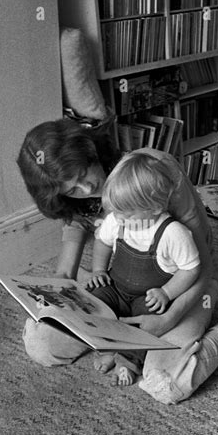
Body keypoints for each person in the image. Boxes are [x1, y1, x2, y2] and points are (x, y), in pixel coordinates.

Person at [17, 119, 218, 405]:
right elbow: (65, 272)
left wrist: (167, 319)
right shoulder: (77, 200)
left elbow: (200, 266)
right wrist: (54, 307)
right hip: (121, 289)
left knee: (166, 384)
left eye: (83, 173)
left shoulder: (152, 171)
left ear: (91, 153)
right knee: (41, 344)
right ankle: (121, 344)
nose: (87, 187)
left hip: (181, 287)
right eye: (73, 189)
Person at [86, 152, 201, 386]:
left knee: (147, 323)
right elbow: (102, 242)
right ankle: (106, 348)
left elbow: (191, 269)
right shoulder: (117, 220)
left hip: (148, 297)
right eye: (115, 212)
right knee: (94, 300)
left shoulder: (173, 233)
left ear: (155, 207)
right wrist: (98, 270)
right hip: (116, 288)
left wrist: (167, 292)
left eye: (127, 214)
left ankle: (128, 361)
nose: (118, 218)